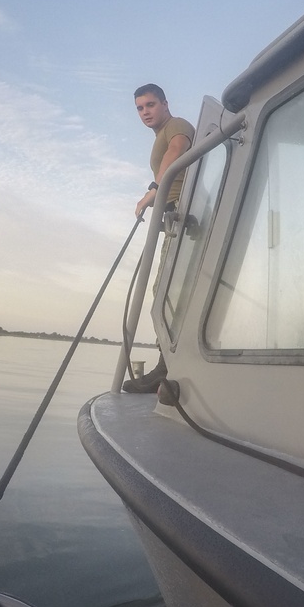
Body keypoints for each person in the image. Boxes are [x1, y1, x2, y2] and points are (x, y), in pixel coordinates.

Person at [122, 84, 195, 393]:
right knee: (166, 292)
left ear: (165, 103)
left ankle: (167, 368)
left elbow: (176, 152)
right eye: (139, 108)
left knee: (164, 292)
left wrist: (154, 189)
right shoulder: (160, 134)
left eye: (150, 104)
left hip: (182, 213)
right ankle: (167, 365)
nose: (145, 112)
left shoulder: (176, 126)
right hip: (171, 218)